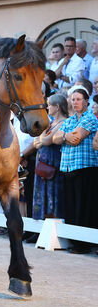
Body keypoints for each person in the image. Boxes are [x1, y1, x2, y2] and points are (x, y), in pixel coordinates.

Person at [53, 88, 98, 254]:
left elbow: (77, 138)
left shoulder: (90, 118)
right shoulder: (71, 119)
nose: (75, 102)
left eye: (79, 99)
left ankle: (83, 244)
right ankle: (74, 241)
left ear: (87, 101)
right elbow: (55, 138)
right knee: (71, 206)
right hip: (67, 167)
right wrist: (65, 137)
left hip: (85, 168)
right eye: (73, 99)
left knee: (83, 207)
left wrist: (63, 137)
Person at [30, 93, 68, 239]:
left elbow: (45, 141)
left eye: (49, 104)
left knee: (53, 196)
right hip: (43, 162)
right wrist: (43, 139)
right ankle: (40, 230)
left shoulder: (64, 122)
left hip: (54, 163)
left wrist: (43, 139)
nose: (47, 107)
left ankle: (54, 233)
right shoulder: (50, 122)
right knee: (41, 196)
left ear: (57, 107)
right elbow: (37, 140)